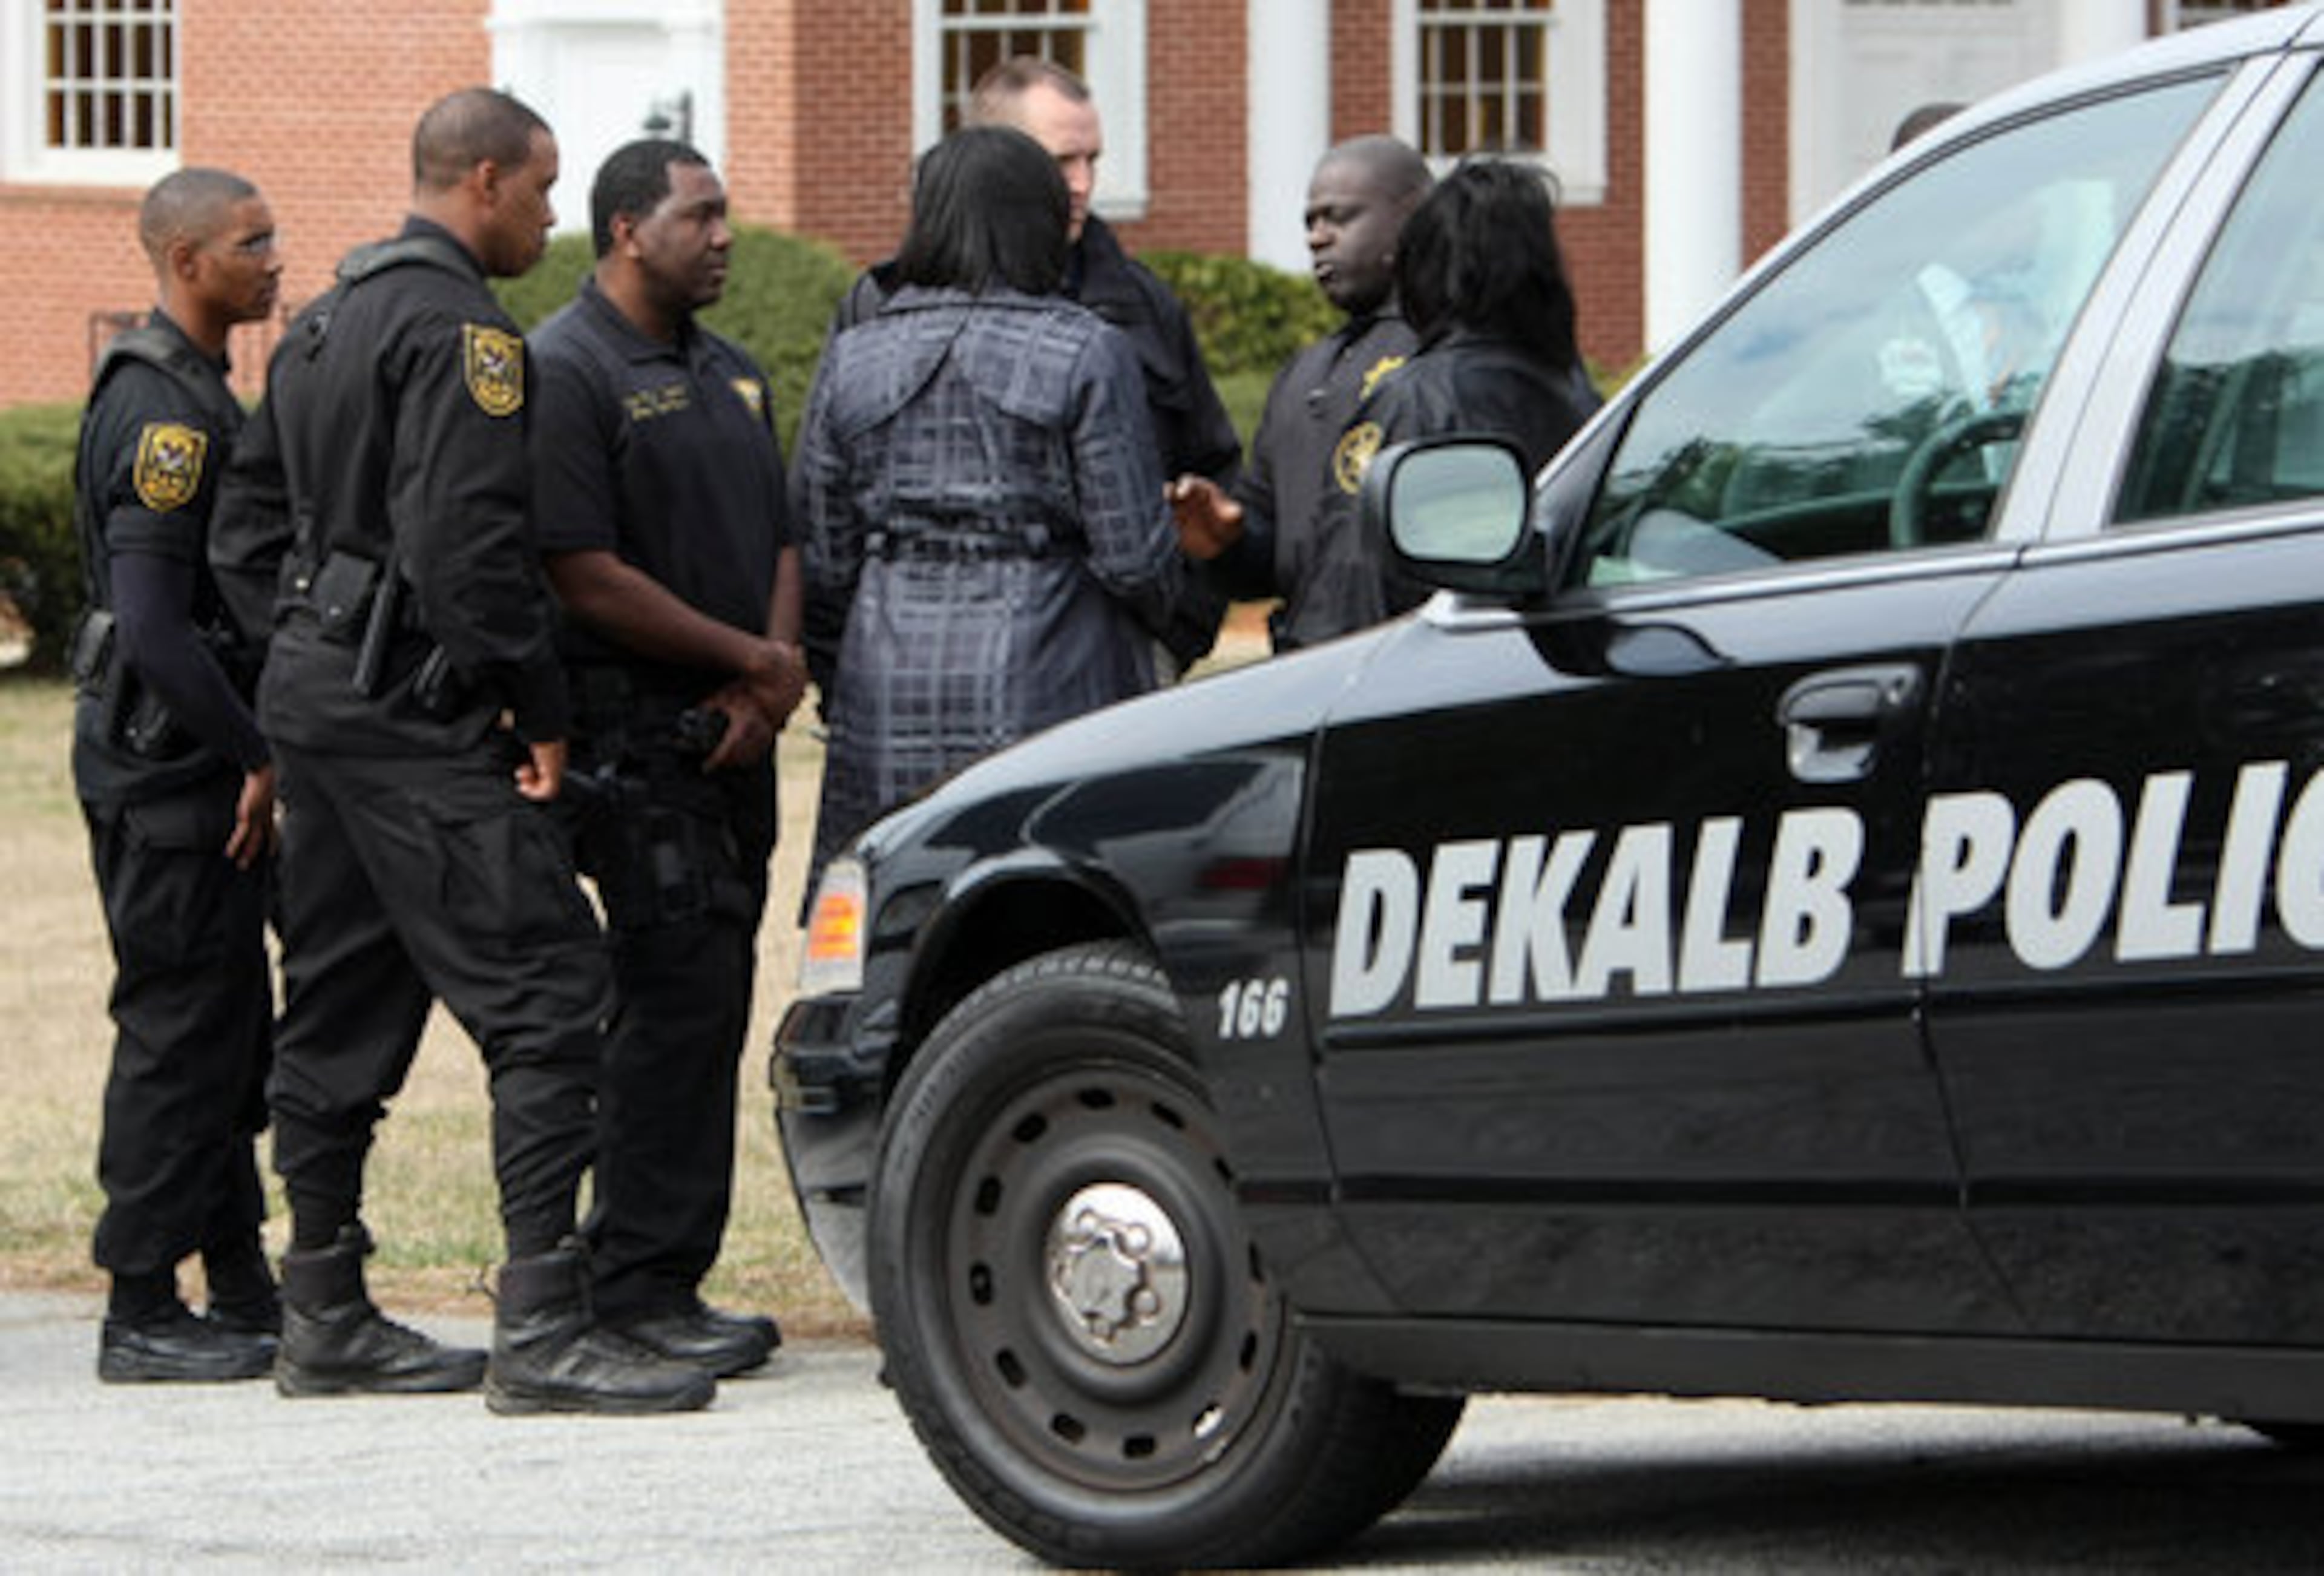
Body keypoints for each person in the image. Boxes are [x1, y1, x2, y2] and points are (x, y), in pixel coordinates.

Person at [209, 88, 710, 1415]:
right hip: (415, 715)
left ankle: (323, 1308)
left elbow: (247, 526)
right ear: (482, 180)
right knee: (548, 987)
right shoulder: (464, 334)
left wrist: (309, 641)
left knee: (341, 997)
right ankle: (544, 1323)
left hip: (322, 706)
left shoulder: (319, 319)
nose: (551, 220)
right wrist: (534, 704)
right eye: (542, 193)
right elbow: (469, 550)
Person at [527, 138, 807, 1378]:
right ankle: (631, 1283)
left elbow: (785, 537)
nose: (727, 234)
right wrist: (742, 661)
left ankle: (665, 1271)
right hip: (635, 744)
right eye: (702, 216)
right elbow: (581, 572)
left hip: (735, 739)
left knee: (712, 1004)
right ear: (627, 231)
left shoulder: (734, 374)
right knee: (669, 1003)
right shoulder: (567, 370)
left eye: (727, 213)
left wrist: (774, 669)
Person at [795, 123, 1187, 881]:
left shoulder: (855, 354)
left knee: (885, 906)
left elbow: (824, 554)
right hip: (1056, 667)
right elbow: (1136, 558)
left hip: (886, 675)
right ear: (1035, 221)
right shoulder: (1084, 348)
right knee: (1046, 899)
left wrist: (836, 675)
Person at [70, 168, 283, 1384]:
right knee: (176, 1027)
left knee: (224, 1025)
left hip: (184, 762)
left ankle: (239, 1278)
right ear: (187, 261)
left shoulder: (189, 386)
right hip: (172, 773)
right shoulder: (165, 413)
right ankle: (140, 1304)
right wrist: (254, 752)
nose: (275, 257)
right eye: (252, 243)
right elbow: (154, 625)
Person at [829, 57, 1237, 671]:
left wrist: (1176, 632)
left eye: (1092, 161)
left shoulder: (1141, 305)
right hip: (912, 655)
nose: (1081, 185)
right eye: (1059, 162)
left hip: (1116, 656)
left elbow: (1211, 468)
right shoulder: (881, 308)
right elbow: (829, 513)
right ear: (995, 157)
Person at [1249, 156, 1600, 640]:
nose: (1318, 236)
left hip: (1426, 672)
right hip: (1549, 659)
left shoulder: (1413, 398)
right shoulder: (1579, 397)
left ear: (1427, 264)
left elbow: (1350, 588)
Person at [1167, 136, 1433, 651]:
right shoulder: (1303, 374)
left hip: (1417, 665)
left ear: (1413, 217)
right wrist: (1226, 543)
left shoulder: (1451, 357)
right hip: (1309, 666)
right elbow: (1270, 568)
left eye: (1340, 217)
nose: (1317, 237)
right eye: (1310, 223)